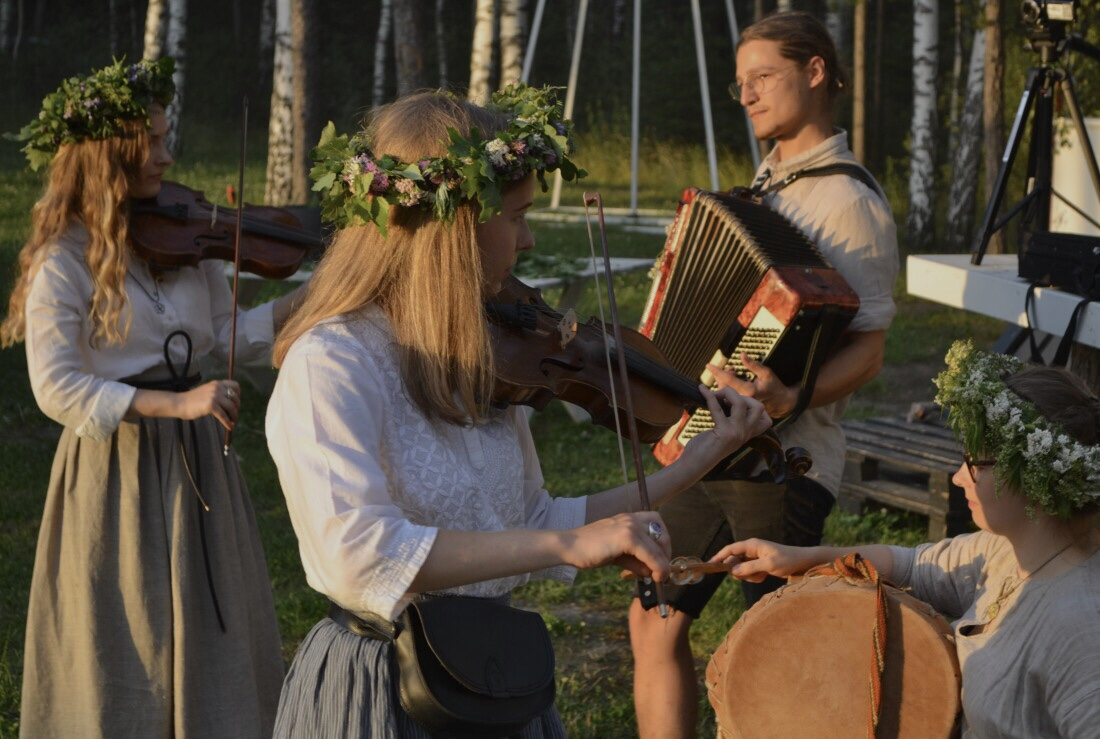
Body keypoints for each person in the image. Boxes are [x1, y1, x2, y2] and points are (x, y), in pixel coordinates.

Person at [263, 84, 773, 738]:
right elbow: (356, 556)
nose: (527, 240)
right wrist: (566, 543)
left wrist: (699, 458)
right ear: (454, 229)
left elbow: (529, 522)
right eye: (516, 217)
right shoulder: (333, 362)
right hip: (388, 691)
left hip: (489, 676)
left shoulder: (487, 354)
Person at [2, 58, 305, 737]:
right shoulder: (65, 261)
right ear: (110, 155)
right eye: (155, 142)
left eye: (169, 138)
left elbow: (231, 334)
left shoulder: (185, 240)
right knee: (125, 633)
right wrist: (176, 405)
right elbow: (55, 385)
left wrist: (311, 299)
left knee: (212, 618)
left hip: (199, 460)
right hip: (115, 469)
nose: (170, 156)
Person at [628, 10, 899, 737]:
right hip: (710, 444)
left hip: (785, 461)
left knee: (770, 643)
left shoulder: (849, 201)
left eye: (763, 78)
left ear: (816, 73)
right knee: (653, 615)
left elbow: (869, 348)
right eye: (738, 83)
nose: (746, 95)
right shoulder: (768, 185)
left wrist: (791, 393)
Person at [710, 339, 1100, 738]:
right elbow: (913, 565)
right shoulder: (1005, 550)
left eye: (974, 463)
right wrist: (803, 557)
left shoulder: (1081, 633)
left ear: (1033, 476)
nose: (959, 477)